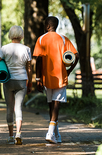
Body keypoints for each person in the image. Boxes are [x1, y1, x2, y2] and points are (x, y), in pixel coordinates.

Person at [33, 16, 79, 144]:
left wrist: (38, 79)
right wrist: (69, 70)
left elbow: (39, 60)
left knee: (51, 104)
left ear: (47, 26)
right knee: (56, 104)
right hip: (60, 76)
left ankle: (55, 134)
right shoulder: (63, 39)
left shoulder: (41, 39)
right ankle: (50, 132)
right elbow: (76, 55)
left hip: (46, 77)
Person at [0, 26, 32, 145]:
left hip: (8, 81)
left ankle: (10, 136)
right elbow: (29, 68)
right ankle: (18, 133)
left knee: (9, 108)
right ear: (21, 35)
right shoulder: (26, 49)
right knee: (18, 108)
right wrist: (30, 83)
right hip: (22, 81)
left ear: (10, 35)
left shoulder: (4, 48)